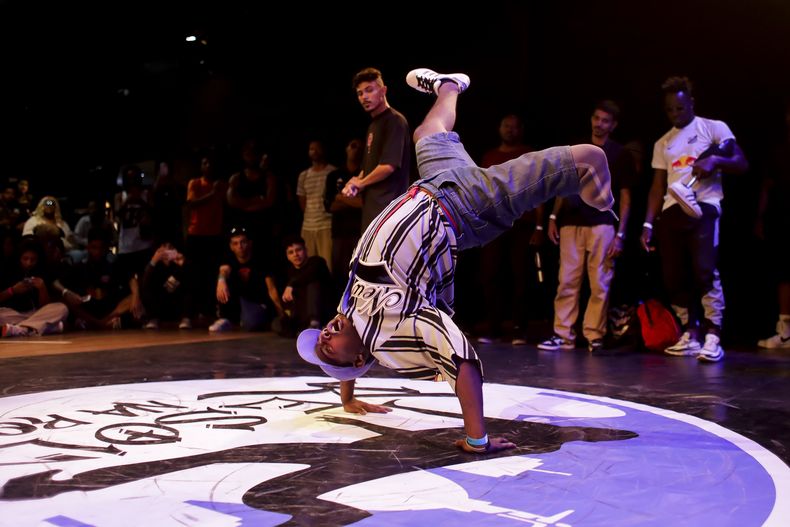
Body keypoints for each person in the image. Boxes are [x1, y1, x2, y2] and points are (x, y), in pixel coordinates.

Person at [297, 68, 614, 453]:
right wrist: (477, 439)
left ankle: (449, 87)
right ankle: (598, 189)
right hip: (466, 207)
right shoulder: (391, 330)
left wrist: (347, 396)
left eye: (322, 340)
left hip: (434, 184)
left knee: (426, 133)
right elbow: (462, 360)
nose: (324, 336)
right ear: (362, 356)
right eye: (328, 349)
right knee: (582, 160)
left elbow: (347, 357)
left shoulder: (351, 310)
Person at [640, 76, 748, 362]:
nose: (675, 114)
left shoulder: (713, 128)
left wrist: (715, 161)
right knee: (673, 277)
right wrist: (648, 223)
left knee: (704, 270)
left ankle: (713, 334)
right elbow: (657, 186)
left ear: (691, 103)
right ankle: (691, 332)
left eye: (680, 108)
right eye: (669, 110)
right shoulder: (663, 143)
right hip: (671, 210)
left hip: (704, 206)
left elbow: (741, 162)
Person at [538, 100, 635, 352]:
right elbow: (564, 185)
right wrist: (553, 217)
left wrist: (621, 234)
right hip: (571, 222)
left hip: (602, 223)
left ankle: (594, 334)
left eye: (605, 121)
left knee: (600, 282)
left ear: (613, 125)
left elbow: (625, 196)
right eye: (596, 118)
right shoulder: (578, 149)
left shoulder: (619, 153)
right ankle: (563, 334)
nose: (599, 124)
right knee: (567, 280)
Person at [343, 68, 411, 231]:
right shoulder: (373, 125)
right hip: (372, 209)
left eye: (369, 90)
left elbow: (388, 166)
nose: (364, 97)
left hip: (389, 209)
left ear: (383, 91)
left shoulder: (395, 121)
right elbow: (368, 168)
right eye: (360, 93)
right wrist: (354, 182)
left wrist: (361, 183)